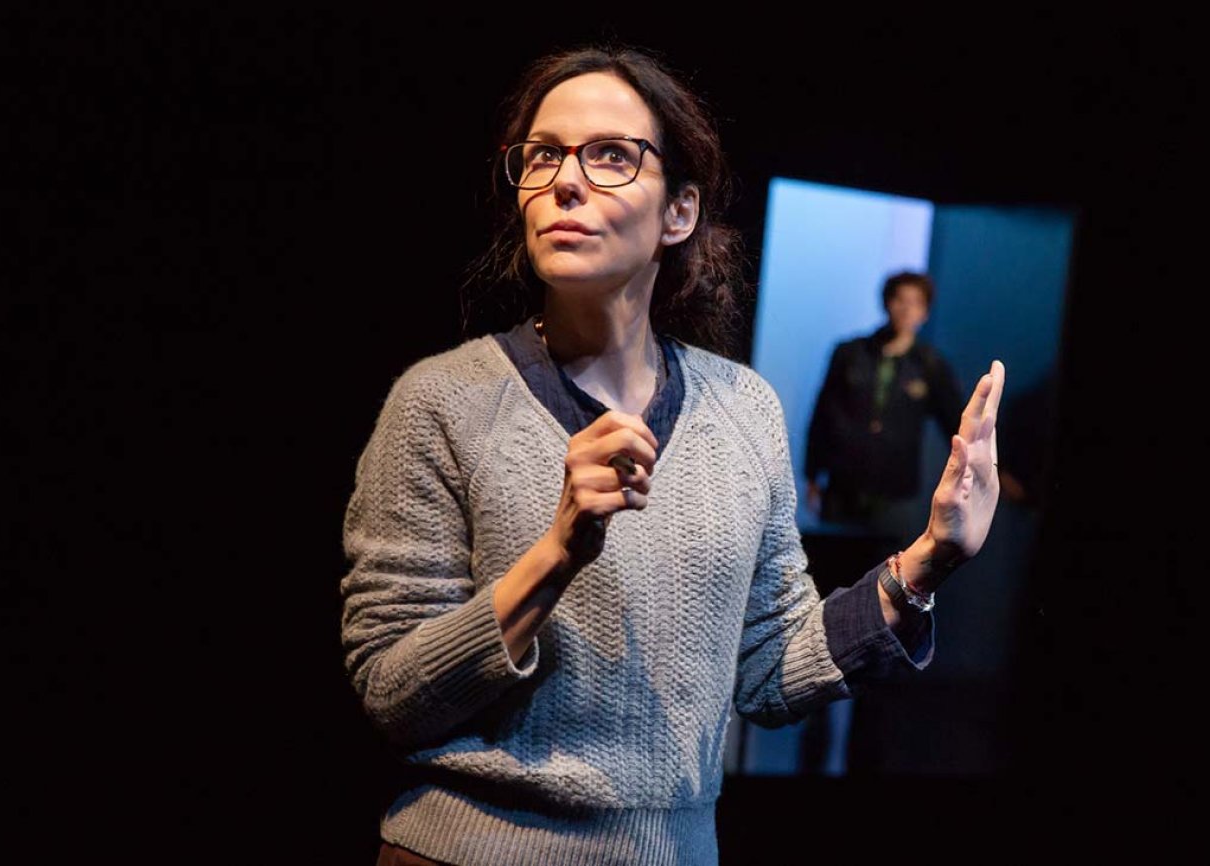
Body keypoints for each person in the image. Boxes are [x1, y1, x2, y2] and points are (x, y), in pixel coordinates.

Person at [340, 45, 1006, 866]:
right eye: (543, 155)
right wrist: (557, 554)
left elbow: (770, 668)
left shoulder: (742, 409)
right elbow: (390, 694)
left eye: (612, 156)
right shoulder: (443, 400)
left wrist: (929, 560)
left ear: (679, 213)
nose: (566, 181)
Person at [804, 272, 965, 538]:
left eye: (915, 302)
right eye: (900, 299)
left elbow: (955, 423)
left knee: (888, 569)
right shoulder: (850, 354)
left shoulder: (929, 365)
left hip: (895, 491)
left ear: (925, 312)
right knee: (832, 563)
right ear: (887, 302)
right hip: (843, 483)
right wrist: (812, 473)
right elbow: (823, 413)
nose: (906, 308)